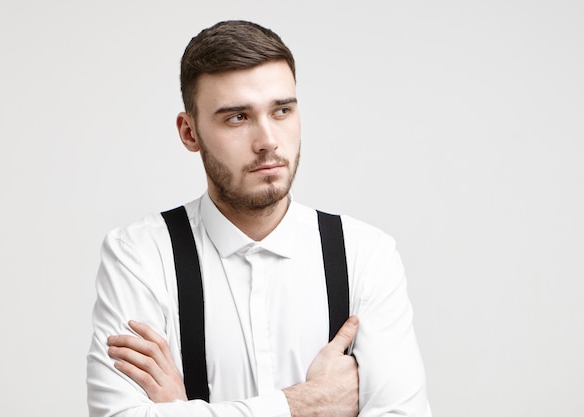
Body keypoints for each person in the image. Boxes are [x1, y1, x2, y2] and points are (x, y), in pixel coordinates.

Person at [86, 20, 432, 417]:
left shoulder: (366, 255)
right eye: (237, 117)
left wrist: (182, 411)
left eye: (282, 110)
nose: (267, 140)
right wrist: (305, 404)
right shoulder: (140, 255)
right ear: (189, 132)